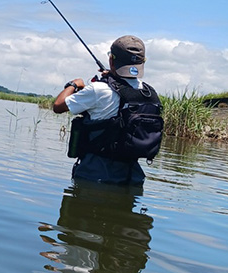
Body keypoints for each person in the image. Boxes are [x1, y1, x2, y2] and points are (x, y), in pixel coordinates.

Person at [52, 35, 160, 185]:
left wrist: (74, 84)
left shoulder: (99, 90)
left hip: (95, 175)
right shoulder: (149, 93)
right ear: (142, 62)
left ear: (111, 60)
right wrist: (113, 77)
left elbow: (58, 106)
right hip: (133, 177)